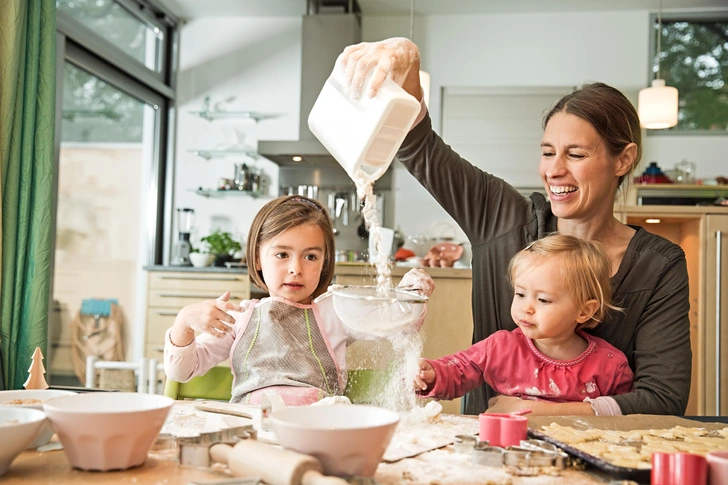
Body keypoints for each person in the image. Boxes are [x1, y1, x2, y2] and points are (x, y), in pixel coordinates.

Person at [338, 37, 691, 416]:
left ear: (623, 160)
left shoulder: (658, 265)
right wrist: (405, 78)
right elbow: (419, 146)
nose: (554, 169)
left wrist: (532, 411)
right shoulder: (501, 216)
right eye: (547, 152)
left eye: (575, 154)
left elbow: (662, 399)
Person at [164, 195, 434, 406]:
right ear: (257, 259)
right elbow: (182, 371)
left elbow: (398, 323)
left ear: (324, 262)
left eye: (310, 256)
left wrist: (412, 295)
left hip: (318, 432)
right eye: (282, 255)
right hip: (253, 432)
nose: (296, 268)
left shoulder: (336, 311)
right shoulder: (238, 317)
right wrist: (184, 321)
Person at [414, 234, 633, 410]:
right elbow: (459, 369)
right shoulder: (502, 347)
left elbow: (625, 419)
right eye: (520, 294)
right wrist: (432, 374)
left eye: (543, 299)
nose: (526, 308)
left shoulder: (610, 366)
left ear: (584, 311)